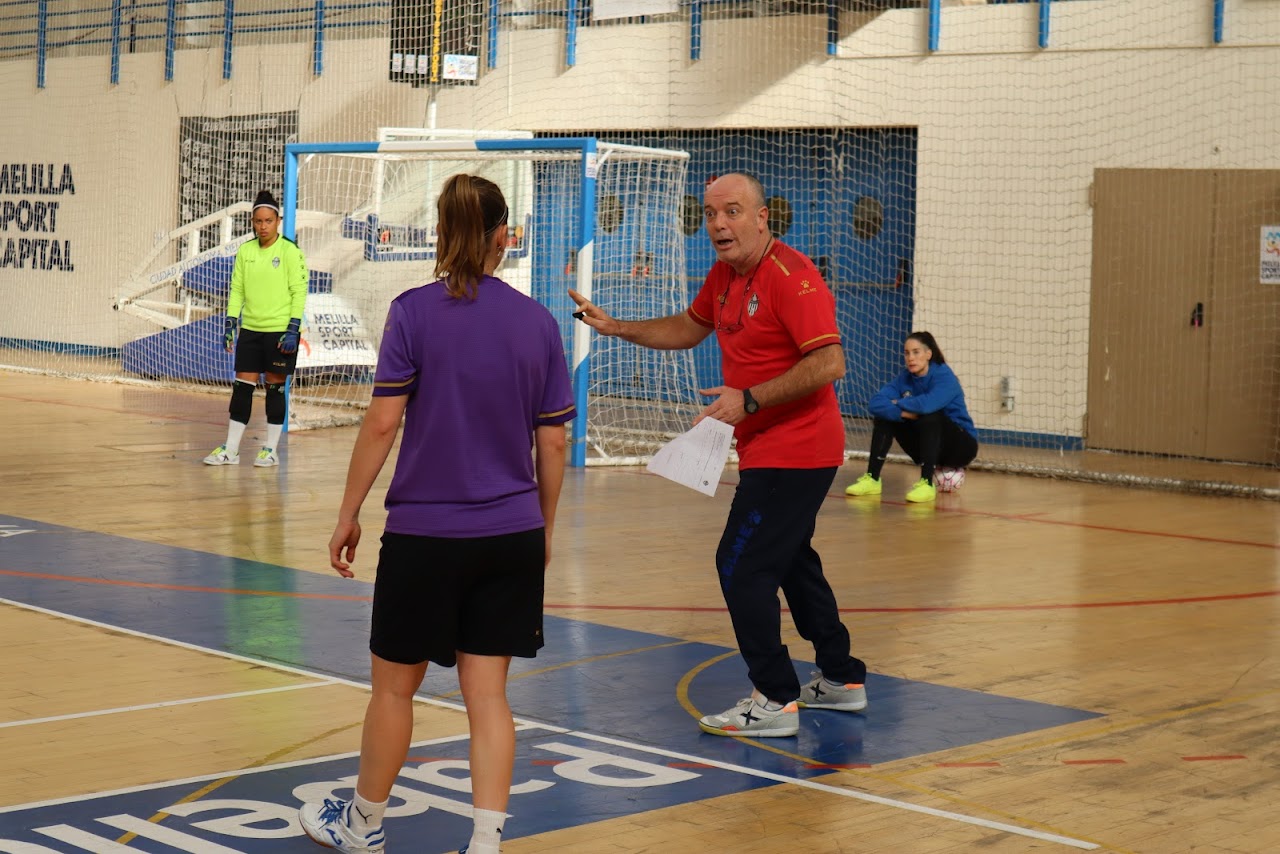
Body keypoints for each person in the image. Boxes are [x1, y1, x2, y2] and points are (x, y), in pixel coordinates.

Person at [298, 174, 573, 854]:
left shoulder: (412, 313)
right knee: (490, 696)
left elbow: (382, 423)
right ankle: (484, 843)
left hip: (426, 536)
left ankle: (362, 828)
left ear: (442, 236)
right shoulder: (538, 322)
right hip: (509, 534)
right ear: (504, 238)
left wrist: (347, 512)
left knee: (394, 692)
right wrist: (541, 525)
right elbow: (555, 440)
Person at [568, 172, 867, 739]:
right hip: (765, 447)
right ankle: (840, 677)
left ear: (762, 218)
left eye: (731, 211)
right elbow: (689, 326)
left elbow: (829, 364)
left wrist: (748, 400)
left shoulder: (792, 277)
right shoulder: (726, 275)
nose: (718, 224)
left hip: (798, 449)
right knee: (791, 561)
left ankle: (775, 698)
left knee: (741, 566)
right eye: (709, 214)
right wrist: (617, 327)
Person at [203, 189, 308, 467]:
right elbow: (237, 289)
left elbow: (299, 291)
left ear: (277, 221)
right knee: (242, 389)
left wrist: (293, 328)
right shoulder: (245, 251)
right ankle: (232, 450)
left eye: (268, 221)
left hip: (279, 332)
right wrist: (230, 322)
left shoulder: (289, 251)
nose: (263, 226)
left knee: (274, 389)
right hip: (250, 330)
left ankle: (270, 450)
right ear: (252, 222)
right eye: (258, 221)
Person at [845, 331, 979, 503]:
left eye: (916, 352)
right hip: (928, 445)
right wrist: (902, 412)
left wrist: (896, 402)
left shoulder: (945, 376)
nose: (910, 358)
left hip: (961, 446)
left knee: (930, 415)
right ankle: (872, 479)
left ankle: (926, 483)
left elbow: (927, 405)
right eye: (907, 353)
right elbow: (875, 403)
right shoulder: (904, 378)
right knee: (884, 417)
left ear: (928, 354)